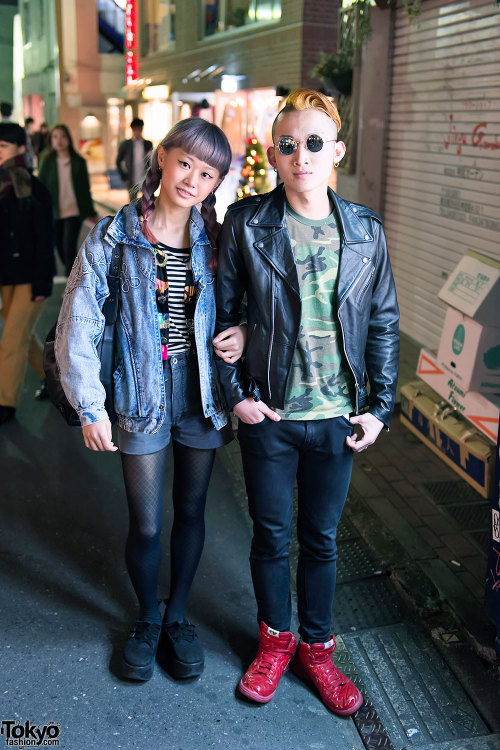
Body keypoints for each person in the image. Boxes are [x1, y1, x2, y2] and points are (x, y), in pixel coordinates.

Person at [215, 89, 399, 715]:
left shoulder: (366, 231)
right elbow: (217, 315)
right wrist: (236, 395)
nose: (302, 156)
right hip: (270, 413)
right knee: (271, 536)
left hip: (336, 419)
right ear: (273, 153)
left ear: (337, 151)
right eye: (288, 145)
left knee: (320, 538)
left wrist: (379, 407)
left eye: (314, 143)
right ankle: (274, 642)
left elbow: (382, 324)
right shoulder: (245, 223)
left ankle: (317, 650)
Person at [55, 117, 245, 682]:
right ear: (162, 158)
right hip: (138, 393)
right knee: (145, 523)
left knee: (191, 511)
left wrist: (245, 334)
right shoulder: (114, 236)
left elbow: (248, 307)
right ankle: (145, 619)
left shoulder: (217, 241)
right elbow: (80, 319)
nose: (192, 179)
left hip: (201, 395)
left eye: (207, 172)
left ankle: (178, 617)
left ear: (215, 183)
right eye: (185, 162)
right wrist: (91, 405)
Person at [0, 123, 55, 425]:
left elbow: (45, 238)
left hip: (30, 276)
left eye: (4, 146)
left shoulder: (34, 188)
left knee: (10, 341)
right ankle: (55, 378)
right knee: (21, 336)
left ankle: (5, 403)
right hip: (6, 275)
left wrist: (43, 281)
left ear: (21, 149)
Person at [38, 123, 98, 277]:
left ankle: (70, 286)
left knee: (68, 247)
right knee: (59, 248)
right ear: (51, 140)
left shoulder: (78, 161)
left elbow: (85, 189)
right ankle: (77, 276)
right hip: (55, 211)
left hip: (73, 211)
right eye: (55, 137)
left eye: (63, 136)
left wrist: (90, 211)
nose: (59, 140)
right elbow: (41, 187)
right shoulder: (46, 161)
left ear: (69, 139)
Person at [116, 117, 153, 193]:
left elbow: (152, 161)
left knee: (147, 202)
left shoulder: (148, 144)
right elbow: (118, 161)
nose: (138, 132)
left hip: (145, 180)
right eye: (136, 129)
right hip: (131, 180)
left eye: (140, 129)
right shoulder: (126, 144)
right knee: (132, 203)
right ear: (132, 130)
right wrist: (124, 177)